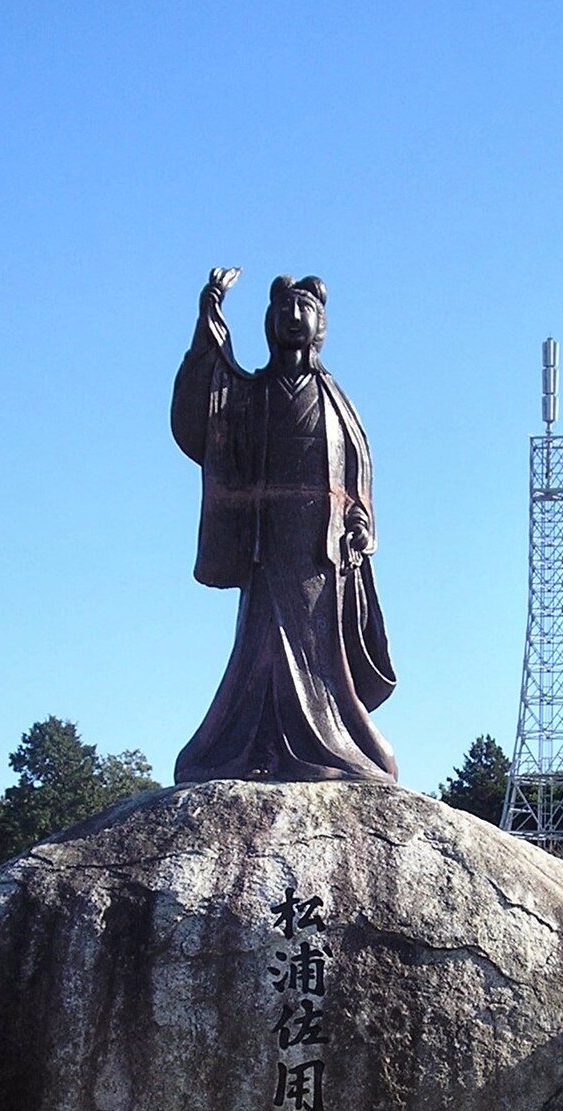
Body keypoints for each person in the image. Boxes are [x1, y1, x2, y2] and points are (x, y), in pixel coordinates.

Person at [171, 268, 397, 784]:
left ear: (320, 323)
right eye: (284, 310)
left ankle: (337, 740)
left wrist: (361, 523)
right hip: (267, 547)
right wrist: (209, 318)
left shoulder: (335, 399)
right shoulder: (252, 394)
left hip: (321, 552)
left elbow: (357, 470)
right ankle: (246, 745)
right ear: (270, 321)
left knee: (323, 653)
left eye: (305, 310)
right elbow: (201, 418)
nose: (293, 319)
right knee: (263, 644)